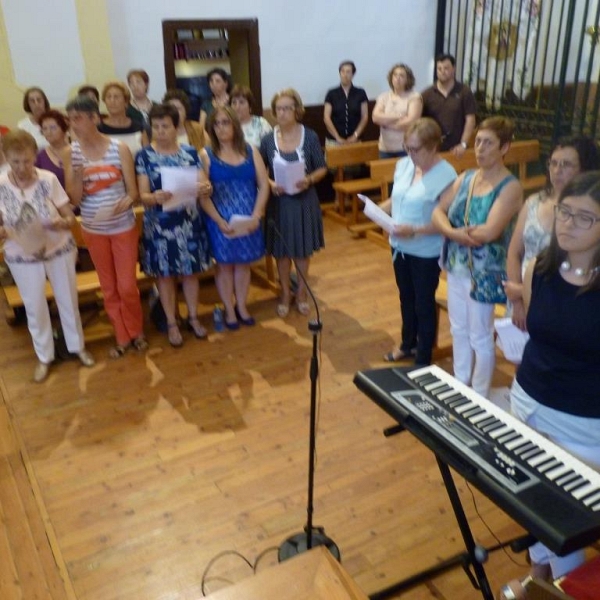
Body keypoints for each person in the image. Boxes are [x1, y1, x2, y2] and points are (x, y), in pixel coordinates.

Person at [499, 171, 600, 600]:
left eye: (584, 218)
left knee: (567, 515)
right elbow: (539, 336)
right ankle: (545, 578)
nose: (568, 224)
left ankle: (554, 584)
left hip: (584, 422)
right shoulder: (538, 267)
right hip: (529, 401)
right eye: (564, 211)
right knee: (535, 502)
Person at [431, 116, 523, 398]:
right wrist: (455, 233)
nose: (479, 148)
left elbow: (489, 231)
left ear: (504, 147)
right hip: (458, 266)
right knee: (457, 328)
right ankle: (461, 384)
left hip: (486, 273)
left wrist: (452, 231)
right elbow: (438, 211)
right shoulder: (466, 177)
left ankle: (480, 393)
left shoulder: (510, 187)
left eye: (488, 143)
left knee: (480, 334)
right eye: (477, 141)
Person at [0, 130, 94, 382]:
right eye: (16, 161)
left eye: (27, 161)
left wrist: (62, 222)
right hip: (22, 255)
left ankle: (77, 347)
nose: (22, 167)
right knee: (34, 306)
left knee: (67, 299)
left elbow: (69, 215)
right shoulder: (0, 184)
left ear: (34, 157)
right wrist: (7, 230)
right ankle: (44, 356)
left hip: (57, 248)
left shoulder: (47, 179)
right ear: (6, 157)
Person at [63, 95, 147, 358]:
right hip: (93, 229)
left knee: (127, 286)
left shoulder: (119, 148)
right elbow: (74, 199)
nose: (73, 124)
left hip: (122, 226)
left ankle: (137, 331)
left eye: (78, 118)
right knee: (108, 287)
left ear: (94, 119)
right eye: (70, 119)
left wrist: (126, 201)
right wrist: (77, 174)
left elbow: (133, 192)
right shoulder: (71, 153)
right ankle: (121, 335)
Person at [379, 118, 456, 366]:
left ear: (433, 147)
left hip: (426, 250)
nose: (410, 154)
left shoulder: (447, 175)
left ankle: (423, 357)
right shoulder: (403, 164)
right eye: (407, 147)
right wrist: (379, 211)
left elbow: (445, 222)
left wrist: (413, 230)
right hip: (399, 246)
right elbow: (397, 198)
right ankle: (407, 344)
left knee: (424, 303)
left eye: (416, 149)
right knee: (406, 298)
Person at [135, 104, 212, 347]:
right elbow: (142, 195)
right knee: (165, 277)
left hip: (188, 223)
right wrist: (154, 197)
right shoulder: (144, 156)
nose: (160, 131)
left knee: (190, 274)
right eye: (155, 127)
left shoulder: (190, 152)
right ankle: (171, 322)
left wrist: (206, 187)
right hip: (159, 226)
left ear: (176, 127)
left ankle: (192, 317)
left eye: (165, 126)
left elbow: (203, 183)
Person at [505, 137, 600, 330]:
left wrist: (523, 292)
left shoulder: (589, 217)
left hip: (558, 305)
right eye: (553, 163)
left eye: (566, 165)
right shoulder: (533, 202)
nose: (557, 171)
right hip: (519, 298)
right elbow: (514, 252)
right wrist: (517, 301)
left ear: (585, 169)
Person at [200, 106, 269, 328]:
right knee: (225, 266)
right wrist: (219, 221)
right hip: (220, 221)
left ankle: (241, 305)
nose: (221, 128)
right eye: (217, 124)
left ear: (235, 125)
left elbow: (264, 185)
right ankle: (229, 309)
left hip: (248, 219)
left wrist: (257, 214)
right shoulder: (206, 154)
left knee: (243, 265)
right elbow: (203, 195)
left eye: (225, 122)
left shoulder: (250, 150)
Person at [261, 89, 327, 317]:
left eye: (288, 108)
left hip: (303, 200)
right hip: (279, 202)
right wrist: (270, 183)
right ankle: (285, 293)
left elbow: (322, 168)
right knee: (281, 251)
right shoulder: (268, 140)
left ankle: (301, 293)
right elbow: (261, 172)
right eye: (279, 108)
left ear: (297, 110)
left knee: (301, 249)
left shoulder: (309, 136)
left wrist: (308, 179)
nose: (283, 112)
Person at [422, 54, 476, 156]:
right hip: (432, 149)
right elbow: (420, 123)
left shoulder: (464, 92)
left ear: (453, 69)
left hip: (457, 150)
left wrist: (463, 144)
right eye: (439, 68)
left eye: (446, 68)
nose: (442, 71)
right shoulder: (427, 94)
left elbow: (470, 120)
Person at [372, 63, 422, 159]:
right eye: (395, 75)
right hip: (385, 148)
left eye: (402, 76)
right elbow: (375, 117)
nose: (397, 78)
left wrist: (386, 124)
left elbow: (411, 121)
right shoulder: (384, 97)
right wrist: (399, 116)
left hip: (405, 148)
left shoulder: (414, 97)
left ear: (408, 79)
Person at [323, 60, 369, 145]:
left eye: (348, 72)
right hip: (334, 140)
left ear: (353, 74)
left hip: (355, 140)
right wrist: (337, 137)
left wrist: (355, 136)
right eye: (342, 71)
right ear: (339, 73)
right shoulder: (331, 93)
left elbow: (364, 117)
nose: (345, 74)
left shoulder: (360, 93)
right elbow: (326, 117)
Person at [98, 81, 147, 154]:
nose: (112, 101)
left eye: (116, 97)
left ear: (126, 102)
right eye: (108, 97)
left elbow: (147, 155)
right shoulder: (99, 129)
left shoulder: (139, 127)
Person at [35, 110, 70, 189]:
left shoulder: (75, 151)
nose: (48, 132)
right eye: (45, 128)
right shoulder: (40, 157)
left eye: (53, 128)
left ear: (63, 129)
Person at [199, 68, 231, 132]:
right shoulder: (206, 104)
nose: (214, 84)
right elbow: (201, 128)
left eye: (217, 81)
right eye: (211, 81)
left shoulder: (233, 102)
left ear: (225, 84)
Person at [126, 69, 156, 134]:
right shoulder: (126, 108)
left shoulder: (157, 106)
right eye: (131, 83)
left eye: (138, 82)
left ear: (146, 84)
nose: (135, 86)